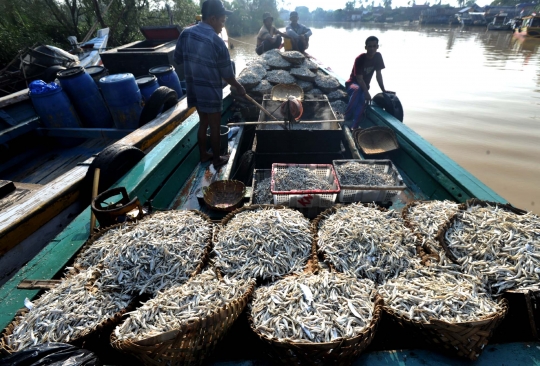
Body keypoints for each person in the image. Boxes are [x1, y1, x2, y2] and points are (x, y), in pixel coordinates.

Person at [174, 0, 246, 169]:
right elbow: (227, 74)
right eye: (222, 21)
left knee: (203, 122)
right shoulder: (217, 41)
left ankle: (203, 154)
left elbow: (177, 59)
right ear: (213, 18)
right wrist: (239, 86)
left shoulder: (185, 33)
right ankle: (216, 159)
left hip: (194, 89)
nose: (222, 26)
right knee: (214, 126)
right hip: (210, 91)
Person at [344, 36, 387, 129]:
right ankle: (346, 116)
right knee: (357, 90)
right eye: (370, 46)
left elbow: (378, 75)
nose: (372, 48)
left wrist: (383, 90)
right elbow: (359, 79)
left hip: (364, 87)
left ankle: (354, 126)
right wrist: (367, 92)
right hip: (352, 85)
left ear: (377, 47)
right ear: (365, 47)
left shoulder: (378, 56)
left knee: (363, 101)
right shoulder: (360, 59)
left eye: (374, 46)